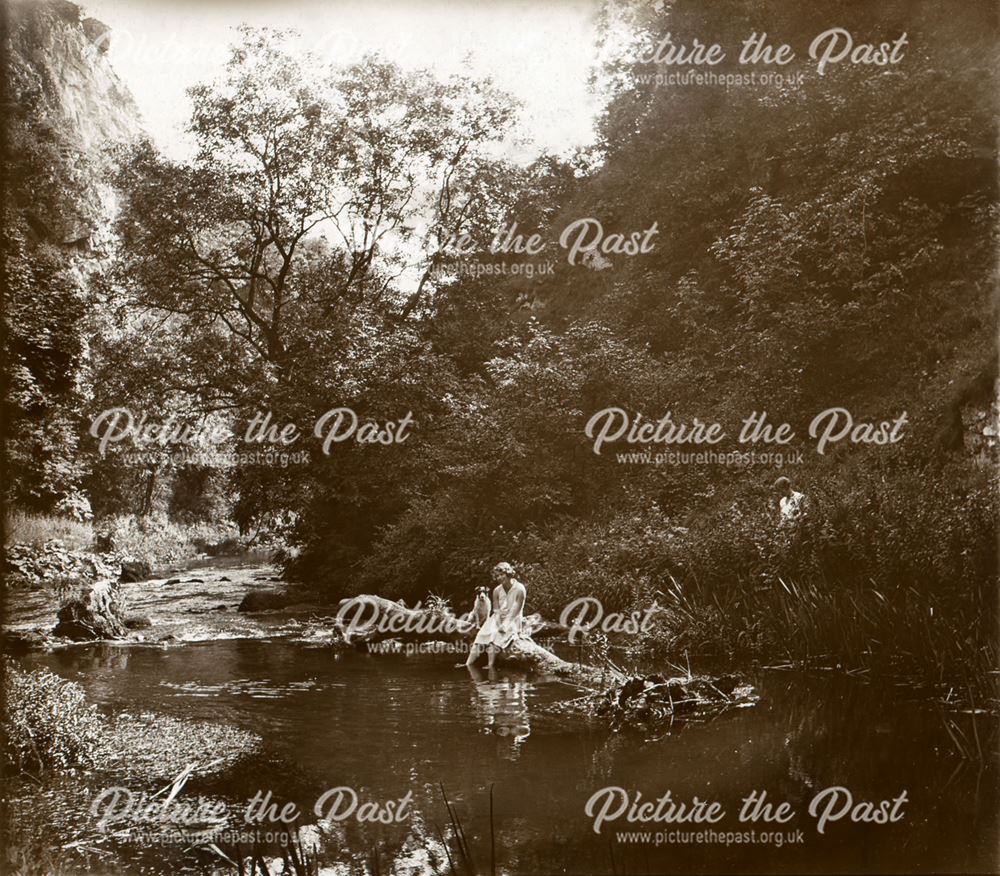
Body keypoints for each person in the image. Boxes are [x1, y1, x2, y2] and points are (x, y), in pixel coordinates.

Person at [465, 562, 526, 670]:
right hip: (497, 618)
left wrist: (505, 625)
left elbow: (516, 610)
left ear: (508, 573)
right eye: (497, 576)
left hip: (513, 619)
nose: (499, 577)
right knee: (481, 636)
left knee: (495, 638)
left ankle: (490, 666)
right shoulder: (496, 591)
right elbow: (496, 611)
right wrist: (498, 623)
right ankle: (468, 664)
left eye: (501, 574)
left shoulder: (520, 589)